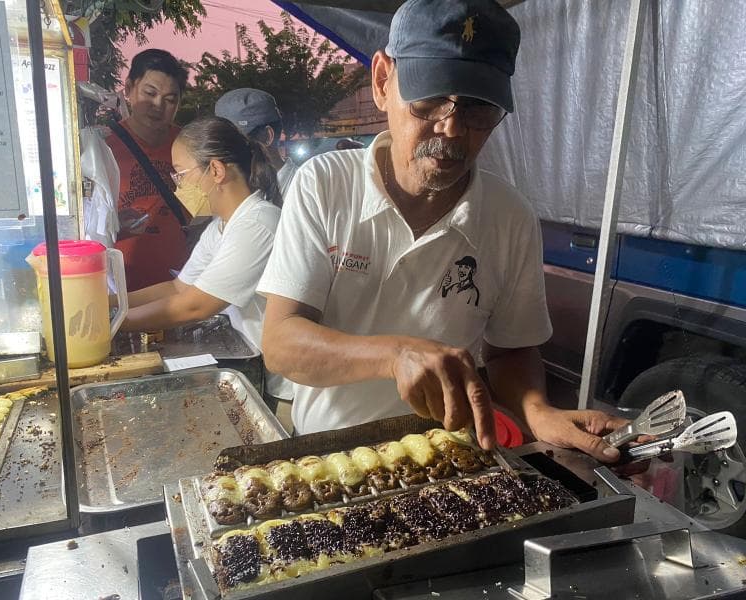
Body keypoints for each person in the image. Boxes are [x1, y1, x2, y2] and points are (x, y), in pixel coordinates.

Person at [256, 0, 627, 462]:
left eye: (478, 110)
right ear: (382, 81)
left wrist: (538, 411)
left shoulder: (509, 217)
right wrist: (395, 355)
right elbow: (282, 344)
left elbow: (511, 352)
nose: (451, 129)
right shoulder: (325, 184)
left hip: (445, 456)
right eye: (430, 101)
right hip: (333, 457)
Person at [120, 116, 291, 403]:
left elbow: (195, 305)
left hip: (285, 386)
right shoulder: (221, 226)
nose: (177, 187)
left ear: (215, 170)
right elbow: (179, 288)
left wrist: (114, 325)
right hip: (257, 365)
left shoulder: (258, 223)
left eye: (180, 175)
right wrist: (110, 303)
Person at [106, 49, 190, 291]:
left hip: (180, 290)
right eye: (150, 93)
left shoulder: (188, 146)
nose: (157, 106)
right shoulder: (103, 148)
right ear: (129, 89)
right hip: (119, 291)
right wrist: (112, 226)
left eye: (170, 99)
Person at [214, 88, 298, 201]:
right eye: (220, 145)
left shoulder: (304, 190)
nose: (223, 155)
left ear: (268, 136)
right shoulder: (227, 193)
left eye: (234, 143)